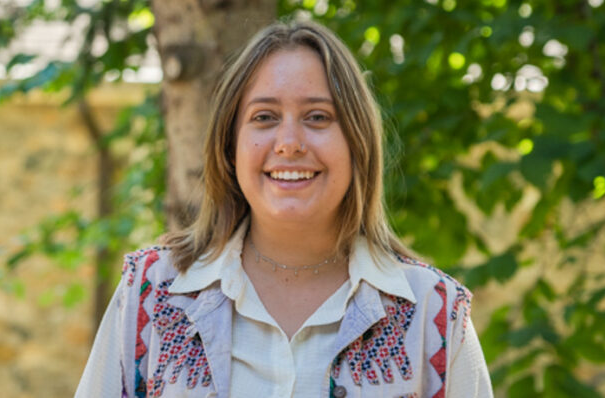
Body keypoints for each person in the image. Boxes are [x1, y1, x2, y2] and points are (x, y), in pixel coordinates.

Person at [75, 20, 493, 398]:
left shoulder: (432, 314)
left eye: (317, 116)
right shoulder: (150, 295)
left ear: (357, 144)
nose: (289, 142)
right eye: (264, 117)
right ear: (230, 147)